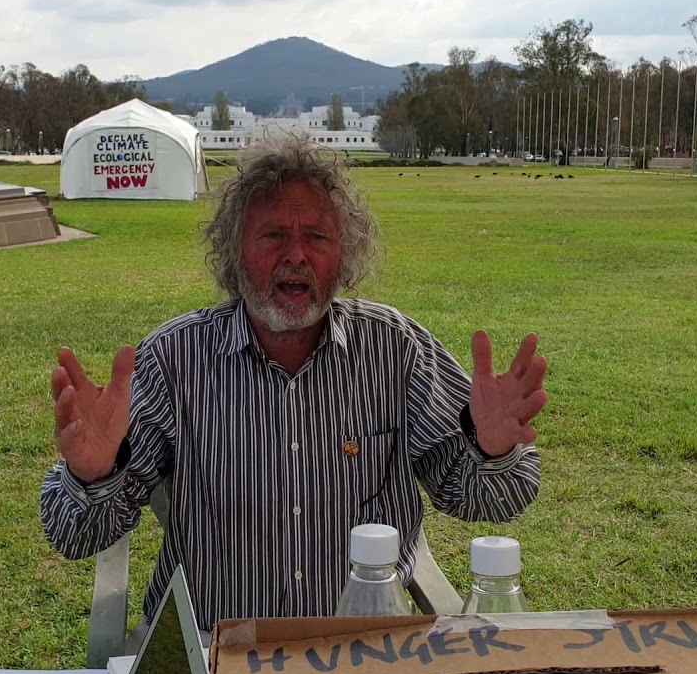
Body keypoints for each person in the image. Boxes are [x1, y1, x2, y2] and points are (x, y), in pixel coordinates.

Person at [40, 130, 547, 635]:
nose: (297, 256)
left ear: (345, 253)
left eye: (317, 237)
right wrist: (91, 476)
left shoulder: (395, 348)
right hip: (217, 649)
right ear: (235, 252)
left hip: (364, 652)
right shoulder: (176, 359)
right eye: (274, 235)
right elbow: (74, 535)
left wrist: (492, 450)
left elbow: (486, 500)